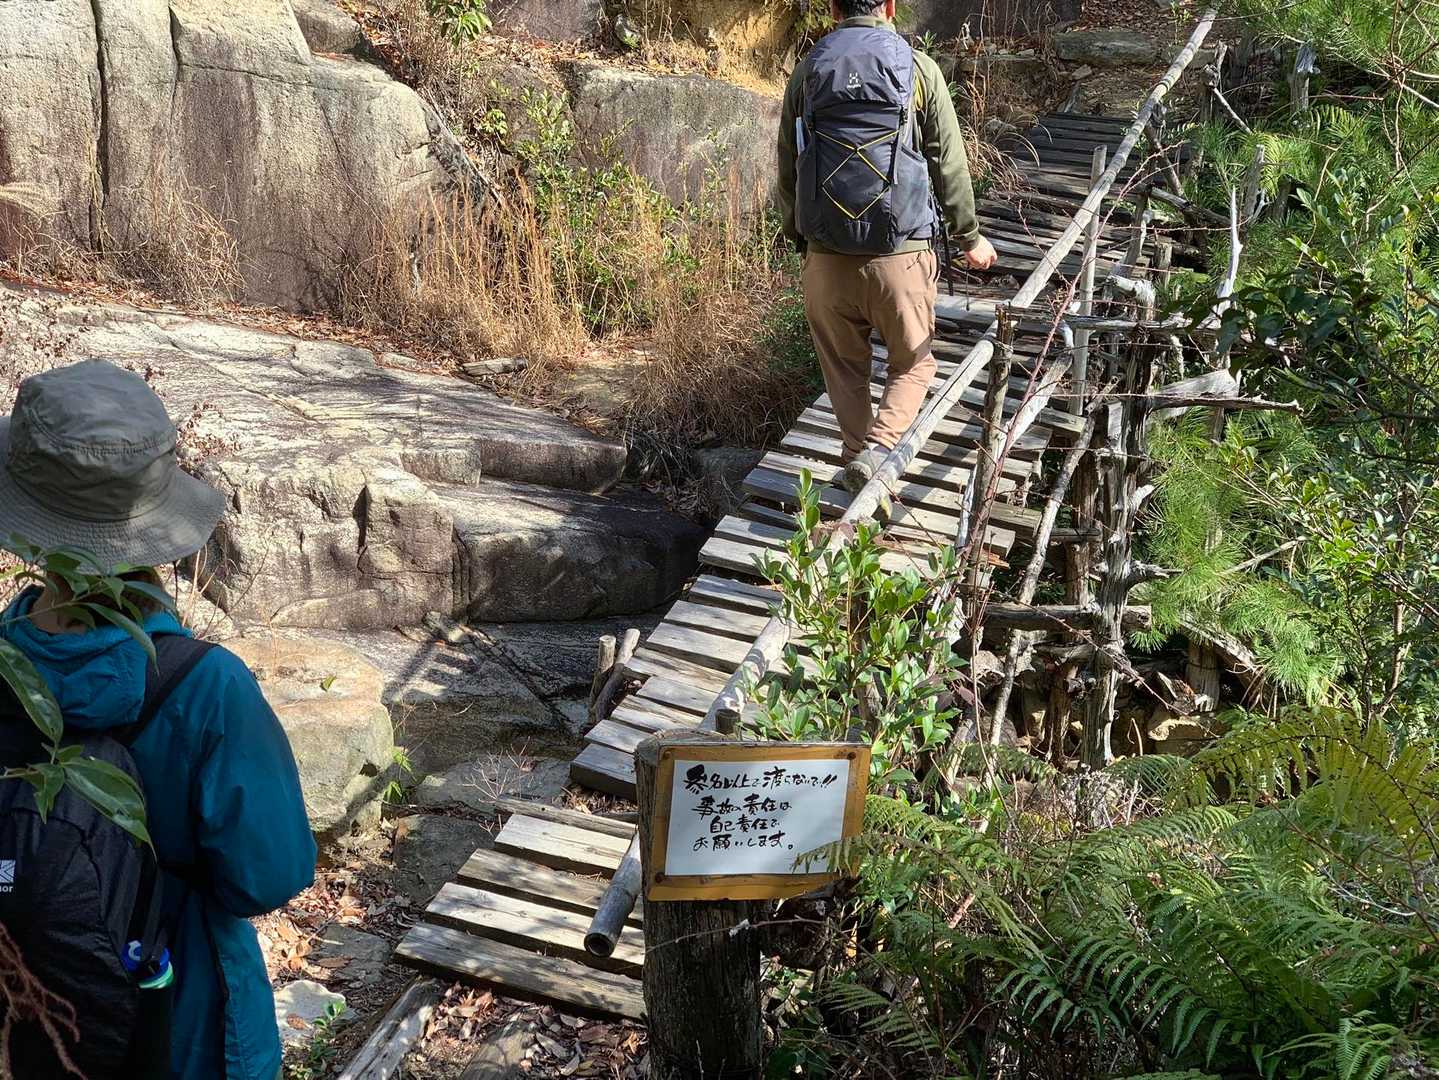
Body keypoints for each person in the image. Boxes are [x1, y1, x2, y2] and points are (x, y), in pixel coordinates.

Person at [0, 360, 316, 1079]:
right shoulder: (209, 687)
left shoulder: (5, 668)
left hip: (29, 1014)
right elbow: (268, 875)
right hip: (185, 1021)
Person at [777, 0, 998, 494]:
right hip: (901, 255)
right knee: (915, 363)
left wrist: (802, 244)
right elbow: (948, 162)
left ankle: (857, 461)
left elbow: (788, 166)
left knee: (844, 370)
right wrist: (969, 236)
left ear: (833, 8)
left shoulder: (808, 70)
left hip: (827, 260)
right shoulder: (918, 68)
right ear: (891, 7)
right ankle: (879, 453)